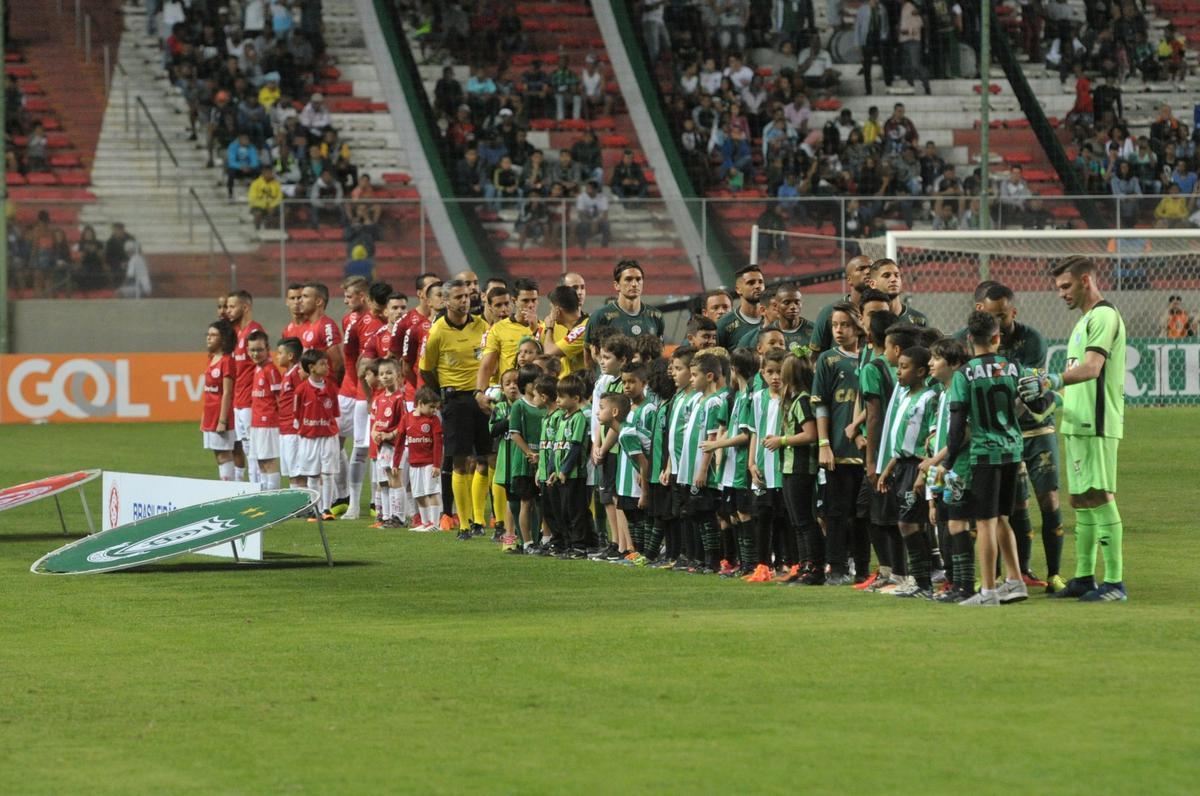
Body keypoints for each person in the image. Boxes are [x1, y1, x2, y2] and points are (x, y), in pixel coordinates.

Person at [1020, 256, 1128, 602]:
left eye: (1066, 286)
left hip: (1097, 423)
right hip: (1077, 423)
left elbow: (1093, 369)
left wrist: (1051, 378)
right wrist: (1052, 396)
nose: (1061, 293)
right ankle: (1084, 577)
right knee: (1080, 500)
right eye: (1058, 288)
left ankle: (1114, 582)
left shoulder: (1105, 316)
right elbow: (1075, 382)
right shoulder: (1083, 322)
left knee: (1099, 494)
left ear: (1085, 280)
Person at [948, 311, 1029, 607]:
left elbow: (957, 424)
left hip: (984, 454)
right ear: (997, 338)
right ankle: (1016, 580)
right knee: (1003, 519)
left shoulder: (964, 374)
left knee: (984, 522)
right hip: (1013, 451)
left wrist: (948, 461)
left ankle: (988, 591)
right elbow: (1031, 403)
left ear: (969, 339)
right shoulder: (1014, 367)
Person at [419, 278, 492, 540]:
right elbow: (426, 369)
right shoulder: (437, 332)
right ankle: (463, 523)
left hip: (481, 398)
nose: (465, 301)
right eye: (459, 297)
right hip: (456, 400)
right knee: (460, 461)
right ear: (447, 301)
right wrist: (445, 392)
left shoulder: (481, 325)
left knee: (485, 459)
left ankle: (480, 520)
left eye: (467, 296)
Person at [876, 346, 939, 598]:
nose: (898, 371)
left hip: (917, 466)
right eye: (898, 366)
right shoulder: (903, 396)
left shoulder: (928, 397)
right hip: (902, 465)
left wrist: (923, 473)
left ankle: (922, 582)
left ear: (921, 371)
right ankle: (922, 581)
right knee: (912, 523)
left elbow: (930, 438)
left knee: (909, 523)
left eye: (904, 367)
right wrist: (888, 468)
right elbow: (901, 440)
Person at [813, 303, 867, 586]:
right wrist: (824, 443)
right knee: (836, 511)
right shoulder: (828, 360)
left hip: (869, 451)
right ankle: (836, 566)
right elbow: (820, 403)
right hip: (838, 450)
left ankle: (863, 567)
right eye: (835, 325)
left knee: (864, 514)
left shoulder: (871, 358)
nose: (839, 330)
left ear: (858, 326)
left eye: (844, 324)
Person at [774, 352, 819, 583]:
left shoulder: (802, 400)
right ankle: (804, 565)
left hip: (801, 467)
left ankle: (812, 567)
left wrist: (781, 441)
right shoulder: (795, 399)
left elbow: (810, 434)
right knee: (796, 520)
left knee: (803, 520)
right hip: (791, 467)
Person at [293, 348, 342, 520]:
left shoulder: (331, 388)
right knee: (312, 474)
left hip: (328, 436)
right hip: (309, 437)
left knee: (328, 473)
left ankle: (326, 509)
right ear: (311, 367)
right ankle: (315, 509)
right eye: (322, 364)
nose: (327, 366)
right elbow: (297, 414)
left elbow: (335, 412)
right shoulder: (301, 390)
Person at [547, 373, 592, 557]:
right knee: (563, 511)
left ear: (576, 398)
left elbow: (575, 447)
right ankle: (568, 544)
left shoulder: (578, 418)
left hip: (574, 475)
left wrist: (565, 470)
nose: (558, 400)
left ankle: (580, 545)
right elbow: (554, 449)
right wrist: (552, 471)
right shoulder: (561, 419)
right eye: (557, 396)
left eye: (562, 396)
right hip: (560, 475)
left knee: (575, 511)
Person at [476, 278, 541, 404]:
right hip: (510, 396)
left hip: (536, 396)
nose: (530, 305)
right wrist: (479, 393)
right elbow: (487, 366)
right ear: (514, 300)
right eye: (525, 300)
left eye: (534, 300)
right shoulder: (498, 329)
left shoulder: (544, 328)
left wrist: (535, 330)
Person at [585, 260, 665, 354]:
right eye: (628, 279)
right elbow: (589, 355)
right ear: (616, 285)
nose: (634, 284)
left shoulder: (656, 316)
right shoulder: (599, 316)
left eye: (638, 279)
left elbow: (659, 351)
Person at [397, 387, 446, 532]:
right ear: (420, 403)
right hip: (414, 463)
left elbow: (438, 444)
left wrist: (437, 465)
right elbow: (399, 441)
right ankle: (425, 523)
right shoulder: (407, 418)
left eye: (436, 407)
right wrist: (396, 463)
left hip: (429, 463)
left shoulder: (434, 420)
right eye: (431, 407)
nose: (434, 410)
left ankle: (435, 524)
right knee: (418, 494)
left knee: (432, 492)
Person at [370, 359, 407, 528]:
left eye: (389, 373)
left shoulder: (400, 398)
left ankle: (399, 517)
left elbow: (404, 423)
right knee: (384, 481)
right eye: (382, 374)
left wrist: (389, 434)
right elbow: (375, 422)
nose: (385, 377)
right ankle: (385, 516)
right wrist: (375, 433)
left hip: (396, 445)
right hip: (382, 447)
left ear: (398, 375)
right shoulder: (378, 399)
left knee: (395, 478)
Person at [810, 255, 874, 354]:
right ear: (849, 279)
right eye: (861, 269)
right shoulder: (828, 312)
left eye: (871, 268)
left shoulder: (884, 311)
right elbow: (815, 356)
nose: (868, 272)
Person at [202, 319, 237, 480]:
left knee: (224, 454)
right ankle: (225, 485)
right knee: (218, 455)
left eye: (213, 335)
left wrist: (222, 420)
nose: (208, 338)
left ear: (223, 339)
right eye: (208, 334)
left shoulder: (227, 361)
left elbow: (227, 392)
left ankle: (228, 489)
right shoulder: (211, 359)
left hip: (220, 415)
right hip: (210, 414)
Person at [247, 330, 283, 490]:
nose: (255, 353)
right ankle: (265, 494)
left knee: (269, 461)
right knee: (260, 461)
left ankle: (273, 496)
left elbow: (279, 398)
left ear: (267, 348)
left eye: (259, 349)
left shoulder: (271, 370)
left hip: (268, 423)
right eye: (252, 350)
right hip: (256, 423)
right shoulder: (257, 369)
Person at [540, 283, 588, 377]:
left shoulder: (583, 328)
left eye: (551, 308)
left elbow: (549, 352)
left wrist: (550, 327)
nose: (550, 313)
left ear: (557, 310)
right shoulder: (575, 327)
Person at [275, 337, 305, 486]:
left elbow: (304, 398)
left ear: (290, 356)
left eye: (280, 353)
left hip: (293, 431)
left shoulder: (297, 373)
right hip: (285, 430)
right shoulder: (287, 374)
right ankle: (298, 506)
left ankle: (306, 507)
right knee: (291, 473)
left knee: (298, 474)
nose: (277, 356)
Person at [715, 264, 766, 350]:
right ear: (738, 289)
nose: (758, 286)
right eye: (751, 283)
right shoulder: (724, 324)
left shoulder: (774, 319)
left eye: (760, 282)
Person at [855, 0, 893, 95]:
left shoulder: (882, 8)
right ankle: (868, 89)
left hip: (880, 37)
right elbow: (857, 26)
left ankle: (888, 86)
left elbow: (886, 23)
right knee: (867, 65)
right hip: (868, 37)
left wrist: (885, 36)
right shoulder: (863, 9)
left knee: (885, 62)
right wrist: (857, 42)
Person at [575, 181, 611, 249]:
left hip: (598, 222)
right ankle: (582, 248)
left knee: (606, 224)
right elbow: (581, 214)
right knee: (583, 225)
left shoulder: (602, 198)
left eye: (589, 188)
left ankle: (604, 248)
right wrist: (590, 223)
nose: (586, 190)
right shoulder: (581, 197)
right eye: (587, 188)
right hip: (585, 221)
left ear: (595, 189)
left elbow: (605, 214)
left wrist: (596, 222)